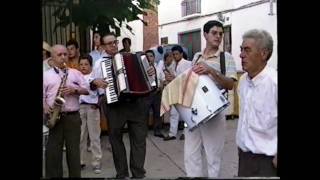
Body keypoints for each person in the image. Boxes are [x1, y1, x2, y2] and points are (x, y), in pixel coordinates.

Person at [89, 33, 156, 179]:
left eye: (115, 42)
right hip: (114, 105)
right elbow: (92, 81)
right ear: (103, 46)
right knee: (115, 140)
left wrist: (151, 72)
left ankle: (138, 173)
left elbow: (150, 79)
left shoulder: (133, 57)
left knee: (139, 139)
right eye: (109, 43)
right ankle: (122, 173)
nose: (113, 45)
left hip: (136, 103)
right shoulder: (100, 63)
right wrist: (96, 82)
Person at [185, 20, 237, 177]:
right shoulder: (196, 57)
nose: (218, 36)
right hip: (193, 109)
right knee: (191, 153)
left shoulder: (225, 57)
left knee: (213, 156)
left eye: (221, 34)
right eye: (214, 33)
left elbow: (230, 84)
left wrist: (210, 71)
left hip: (214, 111)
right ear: (205, 34)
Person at [43, 44, 89, 178]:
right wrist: (46, 106)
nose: (63, 57)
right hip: (54, 116)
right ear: (52, 58)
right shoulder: (46, 75)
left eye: (65, 54)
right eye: (59, 55)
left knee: (74, 152)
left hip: (73, 117)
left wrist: (75, 90)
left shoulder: (75, 73)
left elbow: (87, 90)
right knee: (53, 153)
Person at [236, 29, 277, 177]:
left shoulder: (274, 83)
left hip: (267, 162)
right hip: (244, 159)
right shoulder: (242, 82)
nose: (241, 55)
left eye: (247, 50)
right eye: (241, 50)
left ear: (263, 54)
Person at [78, 54, 103, 174]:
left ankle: (96, 162)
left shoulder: (95, 77)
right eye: (81, 64)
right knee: (80, 136)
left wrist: (98, 105)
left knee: (94, 137)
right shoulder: (75, 76)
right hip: (79, 108)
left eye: (86, 64)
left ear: (91, 65)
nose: (83, 67)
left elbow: (102, 93)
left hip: (92, 108)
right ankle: (80, 161)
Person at [163, 45, 191, 141]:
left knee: (186, 114)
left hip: (185, 92)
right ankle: (172, 134)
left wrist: (173, 78)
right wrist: (168, 77)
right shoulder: (173, 65)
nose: (175, 56)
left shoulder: (187, 63)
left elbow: (187, 79)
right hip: (176, 92)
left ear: (181, 54)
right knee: (174, 113)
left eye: (176, 54)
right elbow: (173, 76)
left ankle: (186, 132)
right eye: (173, 54)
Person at [145, 49, 163, 138]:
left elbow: (162, 79)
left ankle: (157, 131)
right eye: (147, 56)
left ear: (154, 57)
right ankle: (144, 132)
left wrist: (161, 87)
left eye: (151, 56)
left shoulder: (158, 67)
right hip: (148, 93)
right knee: (145, 113)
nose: (149, 58)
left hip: (157, 92)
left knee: (158, 112)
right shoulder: (143, 68)